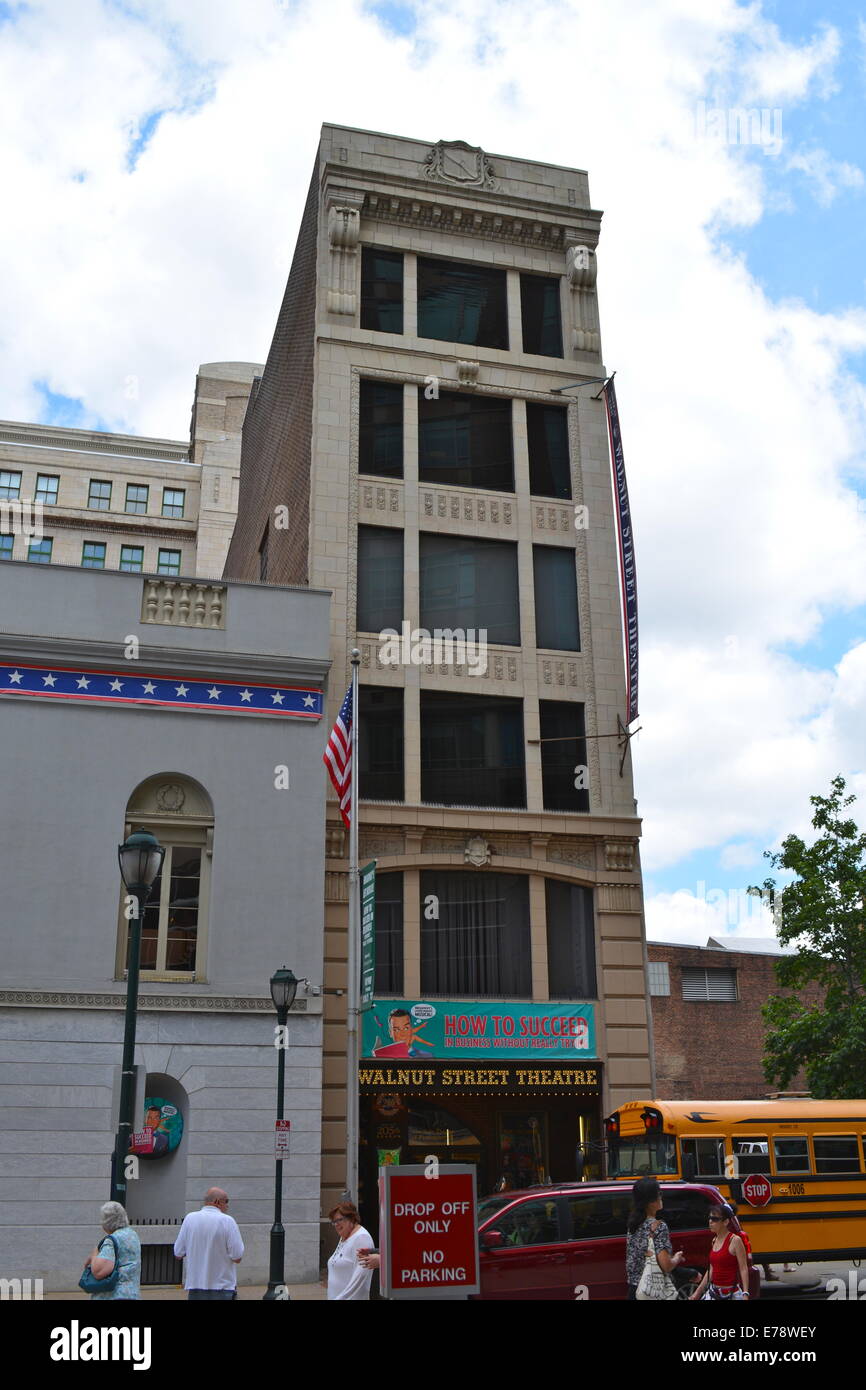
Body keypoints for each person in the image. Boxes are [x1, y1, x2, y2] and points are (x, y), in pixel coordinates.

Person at [173, 1187, 244, 1300]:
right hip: (222, 1287)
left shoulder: (189, 1219)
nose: (227, 1205)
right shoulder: (227, 1221)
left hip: (195, 1287)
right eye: (226, 1201)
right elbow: (237, 1256)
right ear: (217, 1201)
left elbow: (178, 1253)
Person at [625, 1177, 684, 1299]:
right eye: (659, 1193)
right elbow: (666, 1265)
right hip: (652, 1291)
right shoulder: (659, 1227)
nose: (661, 1197)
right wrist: (677, 1258)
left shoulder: (633, 1225)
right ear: (651, 1201)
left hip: (634, 1290)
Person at [690, 1202, 750, 1300]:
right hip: (714, 1292)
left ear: (726, 1222)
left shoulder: (735, 1240)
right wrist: (697, 1292)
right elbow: (711, 1269)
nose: (710, 1222)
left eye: (714, 1219)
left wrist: (745, 1293)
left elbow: (743, 1268)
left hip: (731, 1294)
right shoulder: (714, 1240)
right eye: (709, 1218)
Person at [86, 1201, 141, 1300]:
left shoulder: (112, 1240)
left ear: (107, 1221)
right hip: (132, 1294)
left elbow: (98, 1272)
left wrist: (95, 1253)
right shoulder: (132, 1235)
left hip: (114, 1295)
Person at [327, 1202, 374, 1300]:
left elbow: (360, 1277)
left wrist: (341, 1298)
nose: (336, 1224)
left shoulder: (362, 1238)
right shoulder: (344, 1236)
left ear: (351, 1218)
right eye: (334, 1222)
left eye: (339, 1220)